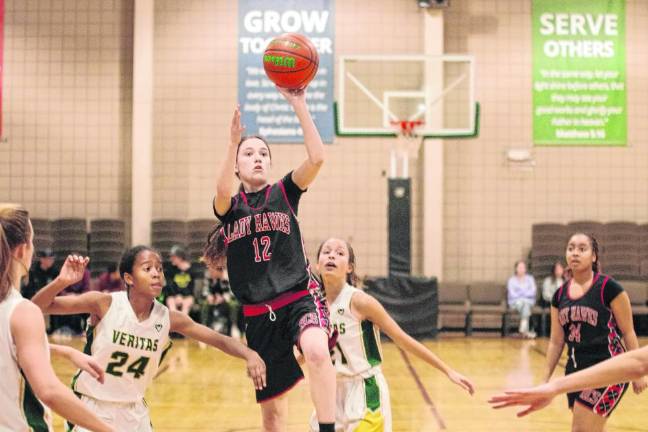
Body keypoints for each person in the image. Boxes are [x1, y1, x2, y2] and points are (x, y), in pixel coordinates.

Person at [208, 88, 336, 432]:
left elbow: (318, 158)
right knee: (273, 417)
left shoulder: (284, 192)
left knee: (317, 351)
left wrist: (300, 105)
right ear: (236, 165)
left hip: (298, 298)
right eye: (248, 154)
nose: (258, 157)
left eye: (263, 153)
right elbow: (221, 191)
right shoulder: (230, 208)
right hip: (259, 315)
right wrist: (232, 142)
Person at [31, 245, 266, 432]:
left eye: (160, 268)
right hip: (93, 407)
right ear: (129, 278)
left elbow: (218, 339)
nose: (156, 273)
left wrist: (250, 353)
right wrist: (62, 282)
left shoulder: (168, 318)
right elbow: (35, 307)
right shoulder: (104, 303)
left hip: (134, 413)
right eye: (147, 268)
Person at [311, 238, 475, 431]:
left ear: (349, 268)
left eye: (339, 253)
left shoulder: (359, 301)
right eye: (326, 252)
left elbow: (402, 338)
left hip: (364, 392)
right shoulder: (311, 305)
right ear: (317, 264)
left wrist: (448, 370)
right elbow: (309, 353)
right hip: (328, 393)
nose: (331, 255)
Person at [0, 203, 113, 432]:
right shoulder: (21, 311)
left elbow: (8, 349)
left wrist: (65, 351)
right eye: (33, 242)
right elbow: (49, 391)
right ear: (22, 250)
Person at [539, 233, 645, 430]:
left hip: (610, 370)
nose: (575, 253)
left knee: (580, 429)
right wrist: (544, 380)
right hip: (575, 372)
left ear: (594, 256)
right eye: (571, 248)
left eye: (582, 248)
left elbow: (628, 332)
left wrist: (637, 374)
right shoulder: (559, 295)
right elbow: (555, 342)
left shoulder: (609, 288)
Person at [489, 345, 648, 417]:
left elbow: (638, 364)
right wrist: (554, 387)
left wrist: (556, 387)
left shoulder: (609, 289)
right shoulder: (560, 296)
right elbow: (637, 363)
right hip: (578, 366)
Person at [507, 260, 537, 338]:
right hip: (515, 302)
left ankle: (523, 331)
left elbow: (532, 292)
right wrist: (524, 294)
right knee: (524, 304)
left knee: (525, 304)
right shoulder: (511, 280)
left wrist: (521, 294)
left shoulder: (530, 279)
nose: (521, 269)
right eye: (519, 267)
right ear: (516, 269)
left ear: (525, 269)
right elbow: (512, 294)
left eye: (523, 267)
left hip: (528, 301)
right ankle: (525, 331)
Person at [164, 245, 197, 316]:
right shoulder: (170, 270)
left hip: (187, 296)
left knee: (187, 302)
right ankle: (174, 323)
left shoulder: (191, 270)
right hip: (173, 296)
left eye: (173, 257)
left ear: (180, 258)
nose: (171, 259)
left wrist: (183, 296)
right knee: (170, 301)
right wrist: (177, 295)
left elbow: (191, 288)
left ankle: (183, 324)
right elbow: (170, 285)